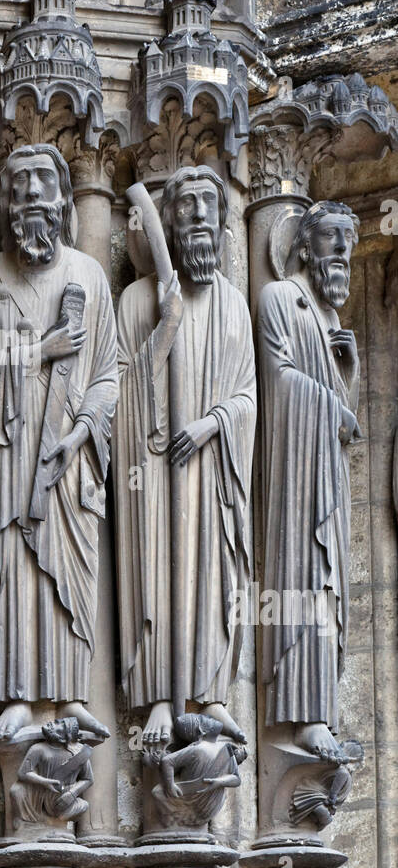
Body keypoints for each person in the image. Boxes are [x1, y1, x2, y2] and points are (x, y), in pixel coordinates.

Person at [0, 144, 117, 741]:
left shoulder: (89, 278)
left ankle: (70, 692)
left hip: (70, 459)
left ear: (62, 200)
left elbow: (108, 373)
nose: (32, 193)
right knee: (15, 566)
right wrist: (37, 353)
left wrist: (78, 435)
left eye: (43, 182)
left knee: (69, 571)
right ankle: (16, 694)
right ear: (5, 201)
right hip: (5, 456)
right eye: (20, 183)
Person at [115, 165, 256, 748]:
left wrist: (210, 425)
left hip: (213, 468)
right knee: (156, 573)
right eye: (185, 205)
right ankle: (156, 697)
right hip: (153, 470)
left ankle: (210, 693)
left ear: (223, 222)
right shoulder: (138, 299)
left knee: (213, 575)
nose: (198, 215)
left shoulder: (234, 306)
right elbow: (120, 394)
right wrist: (166, 325)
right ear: (167, 222)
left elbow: (248, 395)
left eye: (207, 204)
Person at [257, 201, 361, 761]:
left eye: (348, 239)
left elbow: (352, 427)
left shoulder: (331, 319)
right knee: (303, 576)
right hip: (294, 474)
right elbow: (277, 379)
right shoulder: (279, 299)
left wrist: (350, 373)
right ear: (302, 244)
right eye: (329, 238)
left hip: (329, 472)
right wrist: (331, 405)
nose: (341, 250)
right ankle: (299, 713)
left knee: (330, 585)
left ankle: (321, 708)